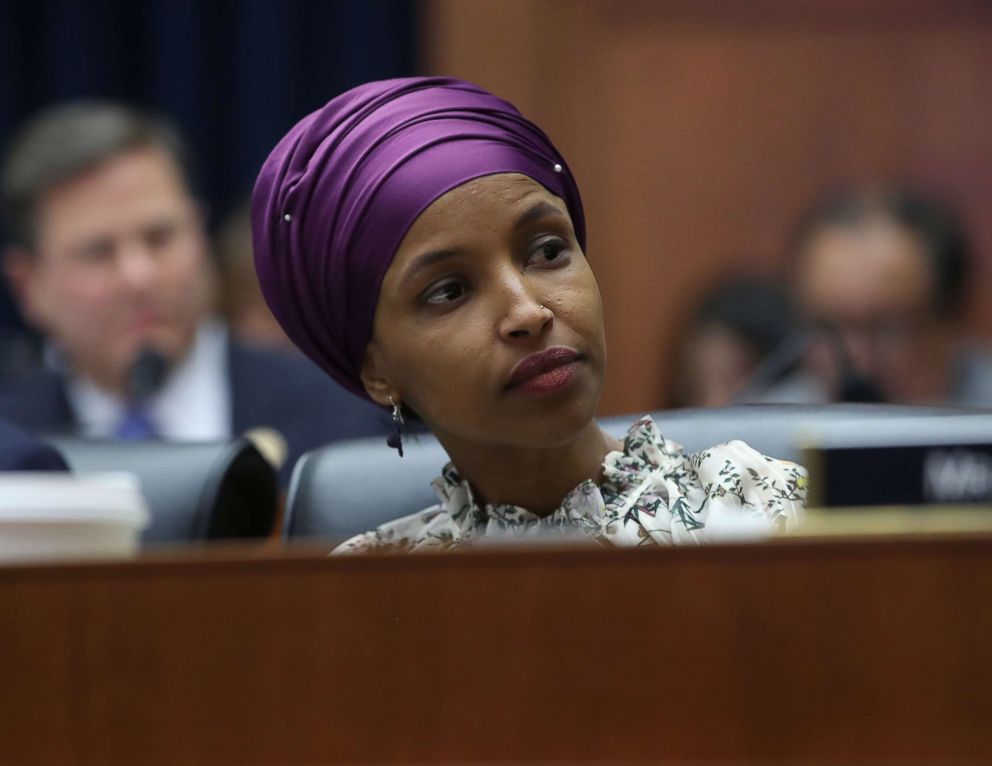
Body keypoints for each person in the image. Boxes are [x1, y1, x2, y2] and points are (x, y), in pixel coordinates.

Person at [252, 77, 806, 552]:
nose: (527, 311)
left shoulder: (771, 514)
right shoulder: (365, 593)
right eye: (449, 290)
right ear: (376, 370)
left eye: (547, 251)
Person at [0, 100, 385, 483]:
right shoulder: (11, 448)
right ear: (28, 286)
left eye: (160, 237)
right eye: (98, 253)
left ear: (199, 236)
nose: (140, 276)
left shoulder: (345, 416)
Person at [779, 182, 992, 405]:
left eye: (885, 329)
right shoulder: (764, 428)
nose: (859, 364)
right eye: (826, 328)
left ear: (952, 323)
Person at [670, 276, 797, 408]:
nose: (712, 404)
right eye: (691, 388)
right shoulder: (654, 425)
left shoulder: (806, 411)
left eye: (732, 381)